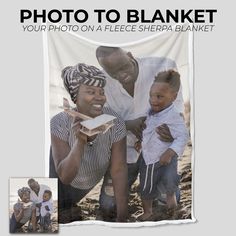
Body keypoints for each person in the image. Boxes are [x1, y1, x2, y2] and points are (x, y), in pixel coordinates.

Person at [96, 46, 183, 199]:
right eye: (113, 72)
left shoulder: (163, 66)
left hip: (159, 146)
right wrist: (128, 125)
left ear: (130, 55)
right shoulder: (100, 84)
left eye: (124, 67)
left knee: (165, 201)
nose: (121, 74)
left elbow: (177, 111)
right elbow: (99, 123)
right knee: (109, 205)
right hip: (124, 149)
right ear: (103, 69)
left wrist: (154, 133)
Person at [50, 63, 128, 223]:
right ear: (75, 96)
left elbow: (119, 170)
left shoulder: (116, 122)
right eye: (91, 92)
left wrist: (122, 216)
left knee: (109, 207)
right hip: (61, 187)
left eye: (101, 91)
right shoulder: (59, 122)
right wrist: (80, 141)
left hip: (87, 183)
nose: (99, 97)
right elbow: (65, 177)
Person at [138, 70, 189, 221]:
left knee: (170, 187)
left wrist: (170, 152)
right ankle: (147, 211)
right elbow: (147, 130)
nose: (154, 100)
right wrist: (139, 142)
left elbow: (183, 136)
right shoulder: (150, 112)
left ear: (173, 97)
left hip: (168, 159)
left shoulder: (174, 116)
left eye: (159, 97)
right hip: (149, 160)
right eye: (151, 96)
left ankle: (172, 209)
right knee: (146, 187)